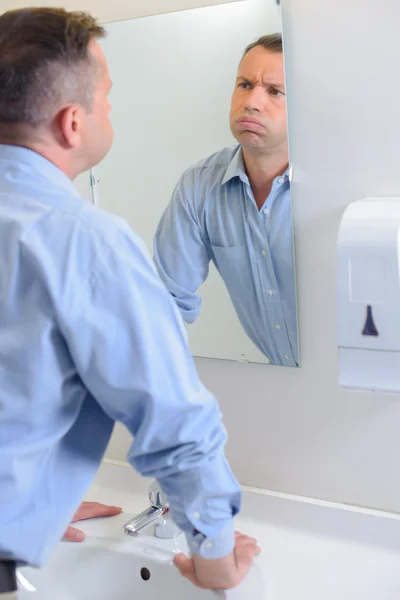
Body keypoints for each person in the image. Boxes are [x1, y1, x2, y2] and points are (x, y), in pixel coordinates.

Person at [0, 7, 259, 596]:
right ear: (72, 123)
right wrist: (215, 555)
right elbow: (174, 421)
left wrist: (31, 504)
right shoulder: (83, 241)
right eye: (107, 97)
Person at [154, 33, 298, 367]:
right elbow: (165, 302)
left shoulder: (335, 184)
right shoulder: (200, 185)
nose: (252, 101)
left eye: (274, 91)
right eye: (245, 84)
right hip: (282, 383)